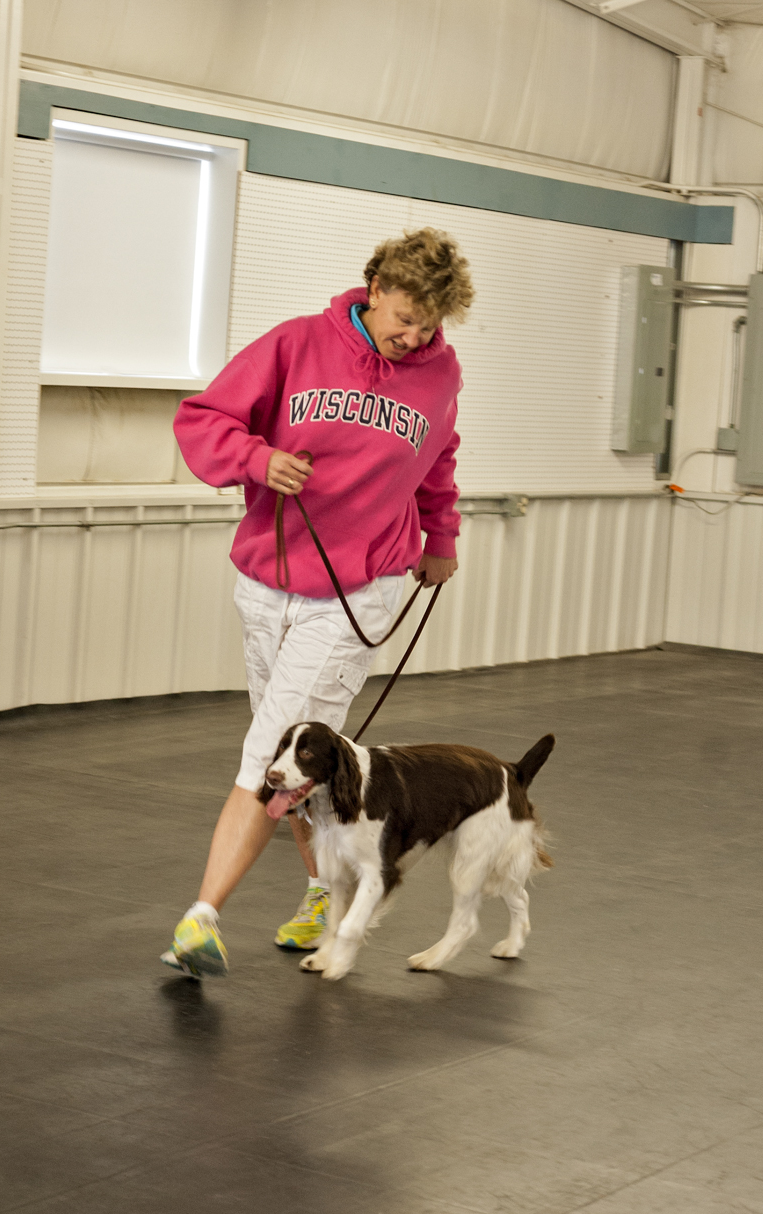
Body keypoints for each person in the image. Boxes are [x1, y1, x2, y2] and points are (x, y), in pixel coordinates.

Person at [161, 227, 474, 977]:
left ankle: (202, 919)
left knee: (266, 756)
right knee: (299, 759)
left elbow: (439, 456)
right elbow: (203, 419)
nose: (415, 336)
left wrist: (441, 534)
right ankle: (318, 890)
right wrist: (258, 460)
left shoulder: (439, 373)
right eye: (405, 318)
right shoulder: (296, 345)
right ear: (375, 290)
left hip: (357, 589)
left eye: (430, 325)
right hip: (266, 581)